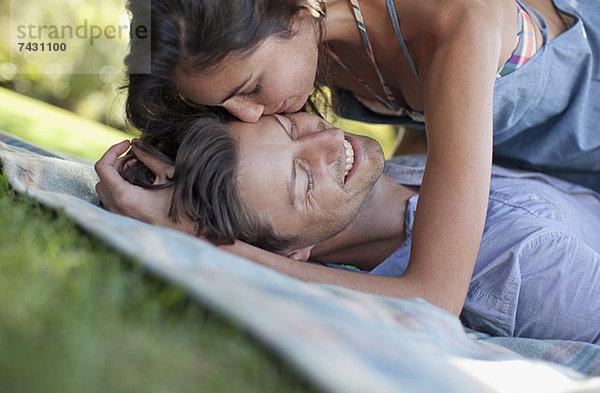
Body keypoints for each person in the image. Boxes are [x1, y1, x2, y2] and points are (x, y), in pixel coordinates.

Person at [96, 0, 600, 321]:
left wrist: (211, 244)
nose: (247, 114)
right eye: (228, 106)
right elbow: (431, 145)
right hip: (555, 176)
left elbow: (434, 296)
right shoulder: (323, 50)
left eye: (249, 89)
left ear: (296, 10)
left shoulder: (455, 22)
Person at [102, 112, 600, 343]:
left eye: (292, 127)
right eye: (302, 177)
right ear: (291, 256)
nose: (330, 139)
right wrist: (205, 241)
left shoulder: (406, 177)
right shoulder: (526, 265)